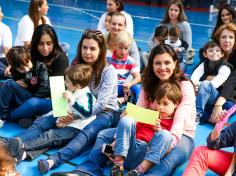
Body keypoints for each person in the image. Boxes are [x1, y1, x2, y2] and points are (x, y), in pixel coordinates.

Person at [51, 44, 196, 176]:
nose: (162, 67)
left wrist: (163, 147)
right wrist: (117, 141)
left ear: (175, 63)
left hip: (179, 134)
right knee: (104, 136)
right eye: (157, 63)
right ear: (151, 65)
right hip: (146, 130)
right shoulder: (149, 83)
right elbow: (137, 113)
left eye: (167, 63)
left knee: (169, 158)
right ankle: (86, 171)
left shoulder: (184, 86)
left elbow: (179, 122)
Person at [29, 29, 118, 173]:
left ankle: (53, 160)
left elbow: (101, 104)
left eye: (92, 48)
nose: (87, 52)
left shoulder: (109, 71)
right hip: (75, 104)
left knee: (87, 132)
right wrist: (60, 109)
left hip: (103, 112)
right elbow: (68, 88)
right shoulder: (77, 63)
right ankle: (15, 143)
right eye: (84, 47)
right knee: (47, 120)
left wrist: (75, 115)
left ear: (101, 50)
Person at [1, 64, 97, 174]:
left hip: (75, 128)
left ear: (78, 85)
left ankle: (20, 147)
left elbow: (86, 112)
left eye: (67, 81)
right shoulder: (73, 90)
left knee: (50, 136)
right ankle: (19, 154)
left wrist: (72, 101)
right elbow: (65, 109)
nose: (65, 83)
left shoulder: (87, 96)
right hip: (65, 121)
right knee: (43, 127)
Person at [108, 82, 182, 176]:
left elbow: (167, 145)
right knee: (127, 120)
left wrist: (159, 131)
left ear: (175, 104)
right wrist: (109, 148)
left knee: (166, 134)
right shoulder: (150, 115)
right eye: (159, 103)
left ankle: (138, 171)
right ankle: (118, 165)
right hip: (128, 151)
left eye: (165, 104)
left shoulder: (174, 123)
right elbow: (129, 131)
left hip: (146, 157)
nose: (161, 107)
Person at [5, 24, 69, 127]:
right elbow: (16, 71)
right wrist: (17, 80)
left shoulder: (61, 59)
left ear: (54, 42)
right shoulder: (31, 54)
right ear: (35, 43)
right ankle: (30, 114)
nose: (45, 48)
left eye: (49, 43)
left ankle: (10, 115)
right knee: (8, 85)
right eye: (41, 44)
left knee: (32, 103)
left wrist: (30, 97)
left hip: (52, 100)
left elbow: (55, 92)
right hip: (31, 93)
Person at [0, 46, 49, 127]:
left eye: (27, 65)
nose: (26, 69)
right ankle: (26, 116)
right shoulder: (14, 67)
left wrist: (28, 88)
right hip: (20, 97)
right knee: (7, 84)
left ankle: (2, 117)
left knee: (8, 84)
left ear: (29, 57)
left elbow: (44, 89)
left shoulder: (40, 66)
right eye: (21, 68)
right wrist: (13, 80)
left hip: (33, 98)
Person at [200, 23, 236, 123]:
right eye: (223, 37)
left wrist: (218, 104)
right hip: (211, 91)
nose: (227, 40)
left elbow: (231, 82)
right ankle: (210, 118)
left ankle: (206, 116)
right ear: (218, 38)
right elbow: (199, 73)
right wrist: (213, 78)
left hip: (228, 95)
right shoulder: (212, 51)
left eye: (231, 37)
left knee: (228, 106)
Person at [191, 41, 232, 123]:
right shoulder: (204, 64)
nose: (214, 53)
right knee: (189, 88)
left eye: (217, 51)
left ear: (222, 54)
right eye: (211, 51)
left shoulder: (225, 67)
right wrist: (195, 85)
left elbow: (215, 83)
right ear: (205, 54)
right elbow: (194, 77)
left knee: (205, 84)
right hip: (207, 95)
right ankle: (208, 118)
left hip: (220, 98)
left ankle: (197, 114)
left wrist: (199, 84)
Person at [106, 30, 141, 104]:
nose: (123, 51)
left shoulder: (130, 61)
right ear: (115, 46)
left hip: (124, 87)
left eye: (126, 48)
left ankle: (139, 105)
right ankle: (123, 99)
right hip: (111, 87)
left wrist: (130, 84)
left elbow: (138, 77)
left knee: (138, 88)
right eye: (120, 48)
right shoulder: (108, 58)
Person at [0, 6, 12, 80]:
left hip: (3, 59)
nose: (2, 15)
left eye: (1, 12)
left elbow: (7, 50)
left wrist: (11, 65)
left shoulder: (5, 29)